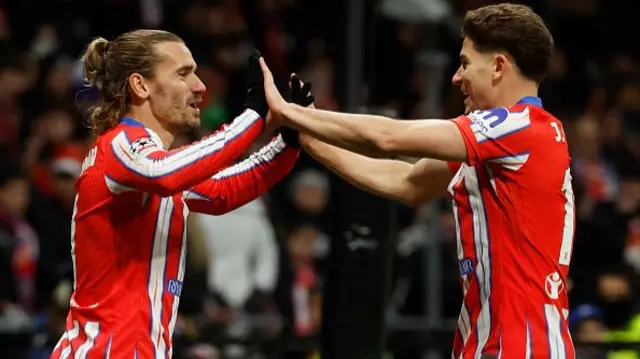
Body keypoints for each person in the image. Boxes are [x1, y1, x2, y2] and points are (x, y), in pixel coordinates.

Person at [263, 4, 575, 358]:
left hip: (520, 347)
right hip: (487, 341)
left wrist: (290, 111)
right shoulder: (508, 140)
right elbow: (407, 181)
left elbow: (390, 139)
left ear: (499, 66)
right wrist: (308, 138)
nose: (457, 77)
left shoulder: (520, 127)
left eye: (465, 63)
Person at [50, 30, 310, 358]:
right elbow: (164, 174)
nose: (200, 86)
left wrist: (288, 141)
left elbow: (223, 190)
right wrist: (251, 119)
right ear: (140, 85)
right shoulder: (120, 145)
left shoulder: (150, 165)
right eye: (183, 73)